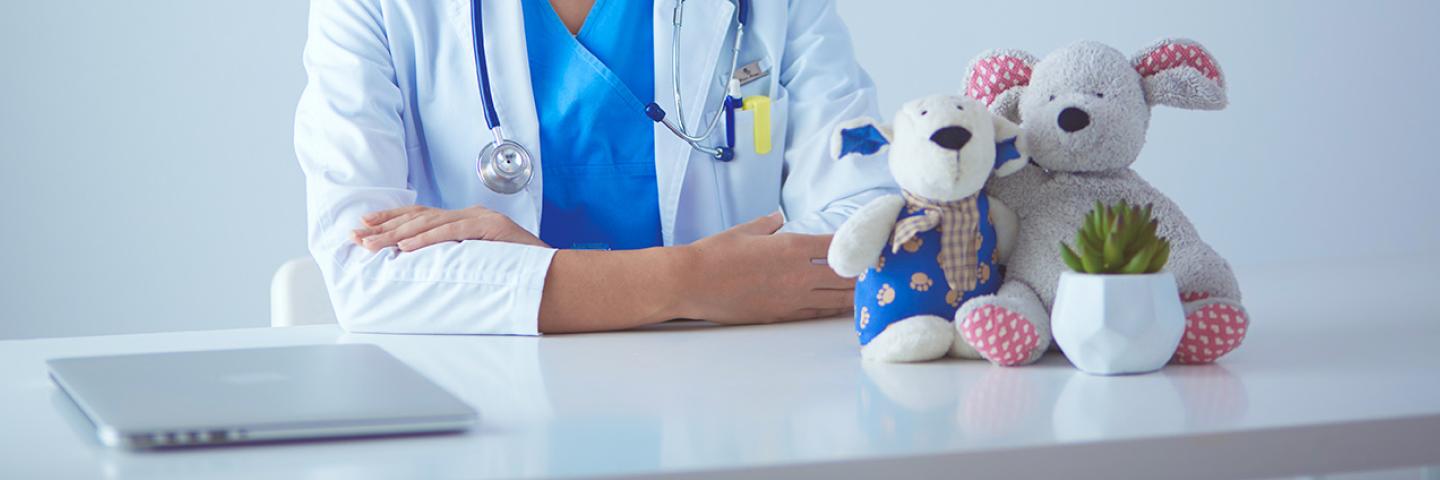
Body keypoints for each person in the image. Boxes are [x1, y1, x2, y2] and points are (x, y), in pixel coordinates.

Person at [294, 0, 894, 334]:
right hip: (492, 403)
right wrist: (696, 279)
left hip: (731, 397)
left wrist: (532, 277)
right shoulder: (370, 8)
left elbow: (866, 231)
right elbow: (364, 271)